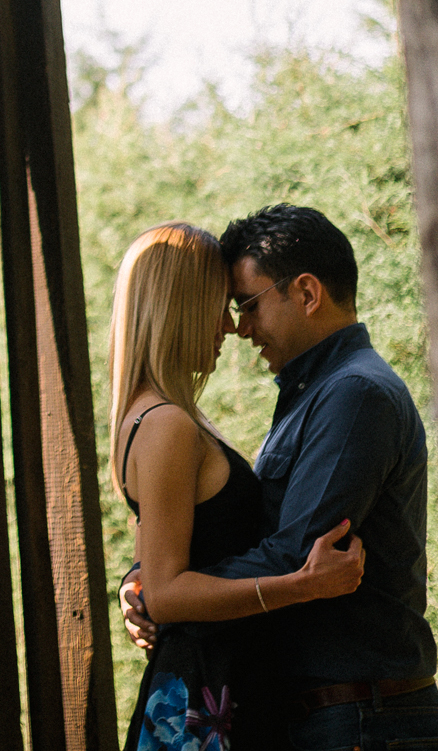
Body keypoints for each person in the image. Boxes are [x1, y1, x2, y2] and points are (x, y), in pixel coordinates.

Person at [123, 205, 438, 751]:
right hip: (334, 718)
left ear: (305, 293)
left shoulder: (354, 394)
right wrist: (150, 577)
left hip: (363, 719)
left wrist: (171, 589)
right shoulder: (313, 393)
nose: (240, 328)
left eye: (248, 305)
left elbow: (296, 554)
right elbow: (249, 535)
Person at [109, 222, 368, 751]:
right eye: (221, 305)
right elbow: (168, 593)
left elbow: (158, 570)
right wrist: (303, 584)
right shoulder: (168, 425)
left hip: (212, 690)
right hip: (207, 705)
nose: (231, 328)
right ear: (179, 306)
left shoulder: (151, 418)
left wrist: (136, 581)